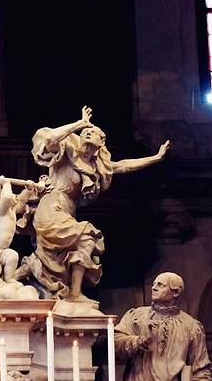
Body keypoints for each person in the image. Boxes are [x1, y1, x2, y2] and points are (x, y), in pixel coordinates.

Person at [21, 107, 169, 302]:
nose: (88, 133)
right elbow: (49, 140)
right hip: (50, 208)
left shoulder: (95, 166)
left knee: (60, 257)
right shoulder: (67, 151)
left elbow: (122, 166)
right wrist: (80, 124)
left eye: (93, 132)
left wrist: (156, 158)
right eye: (85, 132)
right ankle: (75, 293)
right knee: (88, 237)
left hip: (67, 212)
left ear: (101, 142)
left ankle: (66, 292)